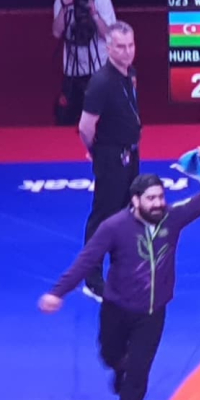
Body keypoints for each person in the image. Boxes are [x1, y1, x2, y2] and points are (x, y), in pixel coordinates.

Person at [38, 162, 200, 400]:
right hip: (117, 309)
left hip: (152, 314)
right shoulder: (114, 227)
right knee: (109, 355)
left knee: (139, 374)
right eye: (151, 199)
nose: (158, 203)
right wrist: (57, 293)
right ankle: (118, 366)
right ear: (135, 200)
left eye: (160, 197)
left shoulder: (172, 218)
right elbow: (86, 261)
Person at [78, 20, 142, 301]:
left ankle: (123, 272)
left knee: (130, 213)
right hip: (110, 156)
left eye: (131, 45)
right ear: (108, 48)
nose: (127, 52)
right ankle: (92, 280)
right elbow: (85, 126)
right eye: (121, 47)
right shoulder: (101, 82)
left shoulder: (130, 74)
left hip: (131, 153)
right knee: (104, 216)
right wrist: (96, 151)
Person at [52, 0, 117, 125]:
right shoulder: (62, 0)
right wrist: (65, 7)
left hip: (99, 68)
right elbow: (56, 32)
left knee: (104, 120)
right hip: (73, 70)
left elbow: (109, 36)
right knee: (65, 118)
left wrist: (94, 13)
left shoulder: (102, 0)